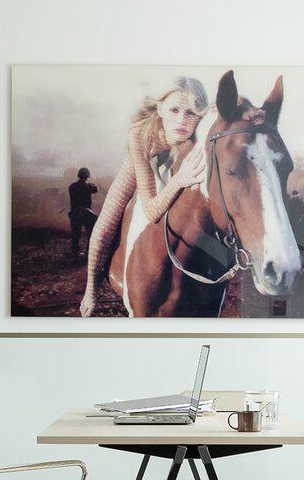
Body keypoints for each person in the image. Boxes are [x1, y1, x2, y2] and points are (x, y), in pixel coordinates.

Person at [79, 76, 210, 317]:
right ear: (160, 108)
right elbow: (151, 210)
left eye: (191, 113)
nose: (182, 120)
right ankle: (91, 290)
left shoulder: (199, 129)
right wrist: (180, 180)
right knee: (103, 227)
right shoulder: (140, 134)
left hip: (177, 163)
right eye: (174, 110)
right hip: (145, 164)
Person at [67, 167, 98, 261]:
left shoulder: (72, 187)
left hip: (75, 213)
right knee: (91, 233)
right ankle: (88, 252)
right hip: (86, 212)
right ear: (87, 176)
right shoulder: (89, 186)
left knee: (75, 234)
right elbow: (96, 189)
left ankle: (75, 255)